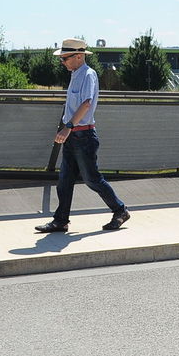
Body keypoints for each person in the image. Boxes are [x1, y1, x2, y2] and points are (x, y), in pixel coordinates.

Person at [34, 38, 130, 233]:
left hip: (83, 137)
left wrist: (67, 127)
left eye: (65, 58)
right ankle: (60, 221)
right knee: (65, 180)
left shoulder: (88, 74)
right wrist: (66, 129)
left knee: (92, 179)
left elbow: (86, 104)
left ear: (79, 56)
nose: (62, 62)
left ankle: (120, 210)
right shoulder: (75, 74)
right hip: (73, 136)